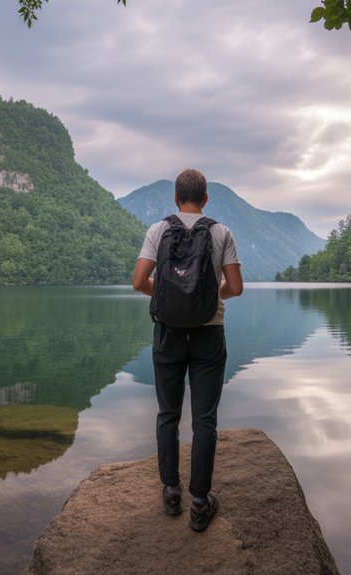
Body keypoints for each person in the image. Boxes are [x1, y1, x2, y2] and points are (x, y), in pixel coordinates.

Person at [132, 168, 244, 532]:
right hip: (209, 333)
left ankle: (170, 492)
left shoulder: (158, 230)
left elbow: (138, 282)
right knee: (204, 420)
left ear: (176, 198)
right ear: (206, 198)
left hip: (167, 333)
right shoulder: (221, 232)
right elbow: (236, 287)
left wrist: (168, 297)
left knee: (167, 414)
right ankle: (199, 502)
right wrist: (208, 298)